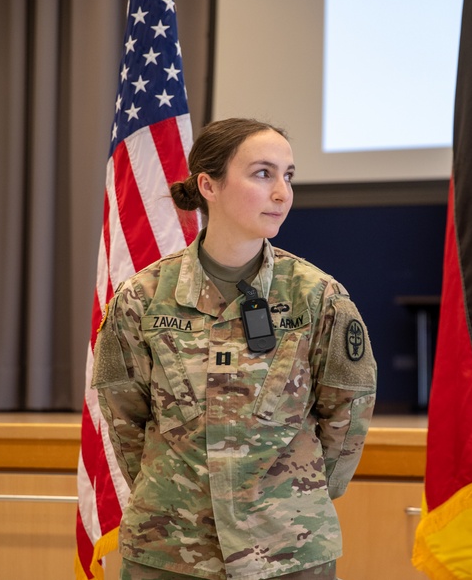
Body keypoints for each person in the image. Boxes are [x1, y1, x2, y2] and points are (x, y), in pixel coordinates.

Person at [92, 117, 377, 580]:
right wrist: (175, 492)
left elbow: (347, 417)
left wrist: (289, 497)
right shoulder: (142, 299)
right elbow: (125, 421)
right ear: (208, 184)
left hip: (287, 549)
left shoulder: (319, 298)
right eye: (263, 174)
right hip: (170, 550)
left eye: (288, 176)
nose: (282, 193)